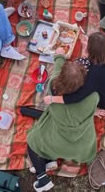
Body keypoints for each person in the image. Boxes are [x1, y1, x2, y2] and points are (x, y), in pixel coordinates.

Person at [27, 50, 99, 192]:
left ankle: (42, 179)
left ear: (60, 78)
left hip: (58, 142)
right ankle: (49, 162)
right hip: (83, 145)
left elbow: (55, 74)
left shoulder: (52, 90)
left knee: (32, 141)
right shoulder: (93, 97)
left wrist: (60, 56)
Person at [44, 32, 105, 113]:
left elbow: (78, 96)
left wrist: (52, 99)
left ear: (92, 52)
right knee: (82, 63)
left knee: (79, 68)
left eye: (88, 45)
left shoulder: (95, 74)